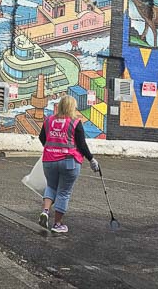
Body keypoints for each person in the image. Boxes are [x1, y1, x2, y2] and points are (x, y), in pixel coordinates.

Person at [37, 95, 99, 234]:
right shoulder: (75, 122)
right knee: (64, 192)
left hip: (49, 160)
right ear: (72, 107)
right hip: (69, 162)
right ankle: (57, 224)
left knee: (51, 186)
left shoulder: (49, 120)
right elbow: (82, 145)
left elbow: (42, 138)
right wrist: (91, 159)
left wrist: (52, 148)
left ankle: (45, 211)